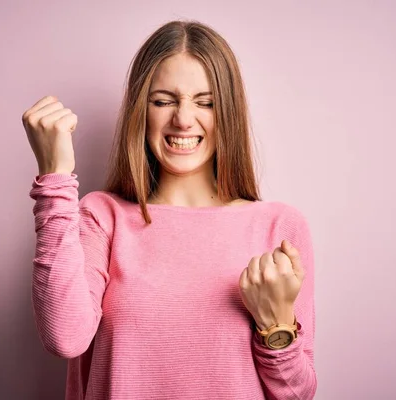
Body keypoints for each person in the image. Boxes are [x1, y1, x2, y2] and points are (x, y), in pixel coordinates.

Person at [22, 20, 317, 400]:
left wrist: (275, 324)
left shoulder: (279, 227)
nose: (182, 118)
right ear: (140, 112)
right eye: (163, 101)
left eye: (205, 102)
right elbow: (65, 337)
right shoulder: (101, 217)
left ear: (228, 112)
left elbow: (297, 395)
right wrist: (55, 179)